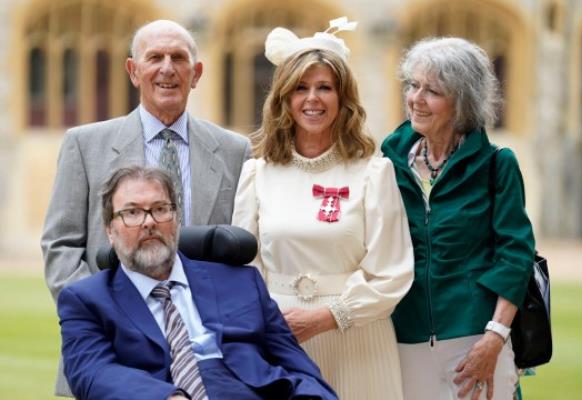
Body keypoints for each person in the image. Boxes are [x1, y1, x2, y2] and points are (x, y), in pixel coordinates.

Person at [41, 19, 250, 396]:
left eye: (178, 58)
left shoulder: (235, 151)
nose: (167, 68)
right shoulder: (85, 145)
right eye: (154, 57)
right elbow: (61, 245)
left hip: (207, 354)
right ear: (133, 71)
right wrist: (102, 316)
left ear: (197, 73)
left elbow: (238, 251)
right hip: (112, 349)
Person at [232, 18, 414, 399]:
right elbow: (245, 270)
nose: (312, 98)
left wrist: (327, 317)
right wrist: (268, 324)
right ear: (284, 98)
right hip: (280, 339)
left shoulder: (373, 172)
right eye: (300, 88)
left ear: (343, 98)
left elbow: (392, 272)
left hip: (358, 339)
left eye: (324, 88)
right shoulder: (256, 173)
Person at [57, 165, 337, 400]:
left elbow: (299, 369)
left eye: (160, 209)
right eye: (131, 212)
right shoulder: (86, 300)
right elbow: (92, 373)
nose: (149, 222)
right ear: (109, 230)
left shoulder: (241, 281)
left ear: (176, 219)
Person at [381, 37, 536, 400]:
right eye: (413, 85)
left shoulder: (498, 164)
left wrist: (494, 337)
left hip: (476, 337)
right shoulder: (387, 162)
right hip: (404, 338)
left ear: (462, 101)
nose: (416, 99)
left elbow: (515, 256)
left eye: (432, 90)